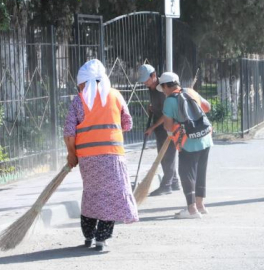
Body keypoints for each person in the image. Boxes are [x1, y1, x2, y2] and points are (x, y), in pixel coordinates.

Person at [63, 59, 139, 251]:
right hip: (113, 156)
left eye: (80, 84)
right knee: (112, 196)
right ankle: (101, 239)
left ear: (84, 82)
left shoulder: (79, 100)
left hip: (88, 159)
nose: (79, 88)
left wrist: (72, 155)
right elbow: (128, 123)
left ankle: (88, 236)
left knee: (92, 194)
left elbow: (69, 133)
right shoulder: (116, 96)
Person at [159, 72, 213, 219]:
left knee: (186, 174)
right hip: (205, 137)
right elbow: (207, 107)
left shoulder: (170, 101)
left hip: (187, 142)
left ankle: (191, 209)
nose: (163, 91)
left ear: (166, 86)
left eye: (163, 88)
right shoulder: (190, 91)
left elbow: (168, 126)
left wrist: (173, 128)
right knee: (200, 172)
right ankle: (200, 206)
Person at [137, 64, 180, 196]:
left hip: (167, 125)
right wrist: (153, 107)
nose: (145, 82)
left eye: (146, 79)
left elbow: (166, 113)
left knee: (167, 155)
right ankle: (174, 182)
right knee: (164, 154)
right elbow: (160, 106)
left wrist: (152, 127)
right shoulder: (152, 87)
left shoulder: (162, 89)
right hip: (160, 126)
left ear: (154, 75)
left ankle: (166, 185)